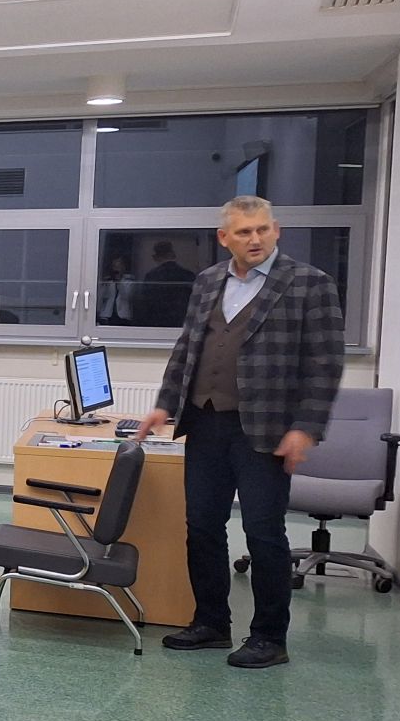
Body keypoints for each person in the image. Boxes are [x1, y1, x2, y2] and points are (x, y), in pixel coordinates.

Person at [134, 195, 345, 669]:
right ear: (223, 237)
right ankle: (211, 622)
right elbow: (187, 348)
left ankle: (270, 636)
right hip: (205, 421)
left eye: (262, 230)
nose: (255, 239)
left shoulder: (310, 284)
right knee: (202, 526)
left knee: (262, 533)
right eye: (244, 232)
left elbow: (325, 365)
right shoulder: (209, 281)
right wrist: (164, 405)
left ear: (277, 231)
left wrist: (306, 429)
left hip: (266, 427)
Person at [135, 240, 198, 328]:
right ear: (173, 254)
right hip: (181, 321)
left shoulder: (152, 276)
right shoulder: (187, 275)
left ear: (156, 257)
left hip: (156, 322)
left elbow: (146, 303)